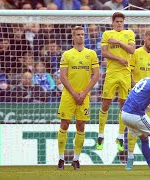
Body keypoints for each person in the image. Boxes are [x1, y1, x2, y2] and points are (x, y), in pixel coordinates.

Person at [56, 26, 100, 171]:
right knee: (64, 124)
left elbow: (96, 75)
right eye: (78, 35)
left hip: (84, 96)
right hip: (69, 96)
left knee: (81, 125)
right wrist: (75, 93)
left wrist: (84, 92)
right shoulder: (67, 54)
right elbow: (62, 77)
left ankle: (76, 159)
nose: (81, 36)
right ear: (73, 37)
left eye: (82, 34)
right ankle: (61, 159)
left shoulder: (91, 54)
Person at [96, 12, 135, 152]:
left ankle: (120, 136)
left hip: (125, 73)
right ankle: (100, 134)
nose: (119, 23)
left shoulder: (129, 33)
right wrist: (119, 59)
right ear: (112, 22)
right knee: (106, 103)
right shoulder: (107, 34)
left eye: (121, 21)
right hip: (112, 73)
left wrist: (118, 42)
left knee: (123, 106)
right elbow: (104, 53)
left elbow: (132, 50)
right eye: (117, 21)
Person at [126, 29, 150, 170]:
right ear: (144, 38)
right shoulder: (135, 53)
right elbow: (128, 72)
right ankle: (130, 158)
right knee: (134, 129)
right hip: (138, 96)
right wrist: (134, 85)